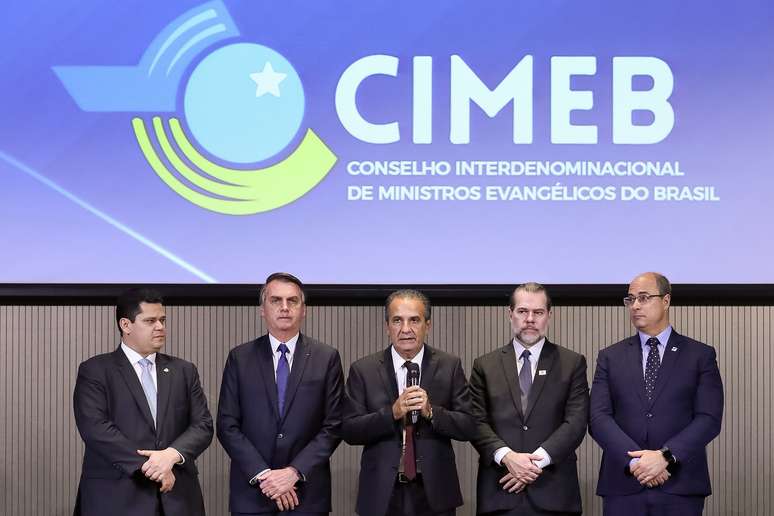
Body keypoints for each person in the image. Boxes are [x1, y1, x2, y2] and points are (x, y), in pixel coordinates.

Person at [590, 272, 724, 516]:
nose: (635, 306)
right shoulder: (610, 357)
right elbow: (599, 419)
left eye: (644, 297)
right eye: (630, 299)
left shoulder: (699, 355)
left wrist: (665, 457)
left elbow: (709, 418)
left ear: (666, 300)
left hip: (679, 485)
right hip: (623, 485)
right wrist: (636, 463)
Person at [73, 288, 213, 515]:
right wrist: (153, 467)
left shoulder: (184, 371)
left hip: (177, 498)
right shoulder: (96, 370)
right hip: (116, 498)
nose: (160, 327)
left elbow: (203, 425)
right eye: (150, 321)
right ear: (125, 325)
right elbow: (96, 429)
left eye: (162, 320)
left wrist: (171, 455)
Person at [217, 272, 344, 515]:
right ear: (262, 309)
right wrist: (266, 476)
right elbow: (227, 425)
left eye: (292, 301)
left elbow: (334, 425)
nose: (284, 308)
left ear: (303, 309)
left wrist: (293, 472)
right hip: (253, 494)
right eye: (276, 301)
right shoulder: (240, 358)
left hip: (306, 496)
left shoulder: (326, 357)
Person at [341, 289, 476, 516]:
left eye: (414, 320)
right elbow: (349, 430)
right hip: (382, 494)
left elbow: (469, 425)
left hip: (434, 493)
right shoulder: (363, 370)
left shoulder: (449, 366)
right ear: (387, 327)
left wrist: (432, 412)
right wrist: (391, 413)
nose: (406, 329)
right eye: (397, 321)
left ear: (428, 325)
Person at [470, 282, 589, 516]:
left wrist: (533, 465)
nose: (530, 319)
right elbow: (476, 421)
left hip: (554, 493)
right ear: (510, 314)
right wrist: (508, 458)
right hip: (500, 490)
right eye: (523, 311)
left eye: (538, 312)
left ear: (549, 316)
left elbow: (576, 422)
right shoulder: (485, 365)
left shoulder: (572, 363)